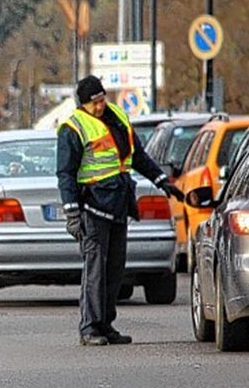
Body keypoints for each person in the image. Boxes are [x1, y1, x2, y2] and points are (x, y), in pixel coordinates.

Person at [57, 75, 184, 346]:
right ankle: (90, 327)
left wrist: (162, 181)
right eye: (95, 103)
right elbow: (65, 174)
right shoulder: (73, 128)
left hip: (118, 205)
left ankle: (106, 324)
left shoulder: (117, 116)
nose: (100, 105)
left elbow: (137, 155)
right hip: (92, 207)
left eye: (102, 99)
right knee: (95, 270)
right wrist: (72, 214)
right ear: (83, 104)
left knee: (115, 269)